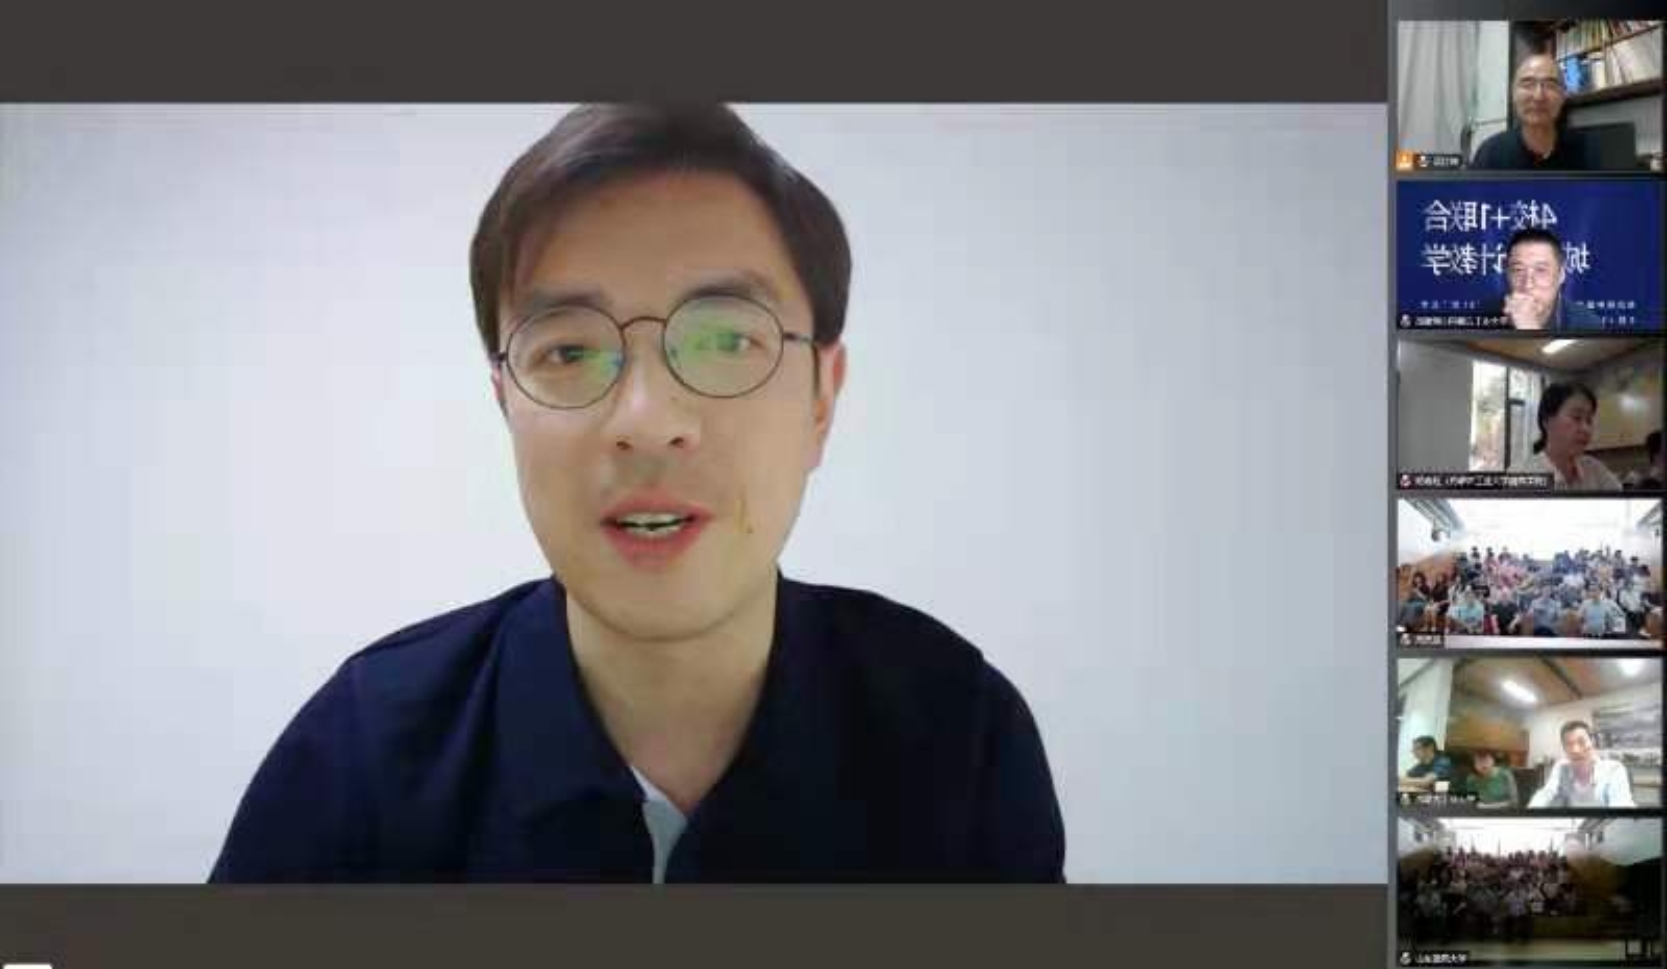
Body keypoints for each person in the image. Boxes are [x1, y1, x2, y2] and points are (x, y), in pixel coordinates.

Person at [209, 104, 1066, 883]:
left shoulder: (955, 734)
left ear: (821, 399)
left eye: (726, 339)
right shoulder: (362, 755)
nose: (648, 421)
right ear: (505, 403)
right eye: (569, 351)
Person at [1471, 53, 1599, 171]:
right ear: (1513, 94)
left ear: (1563, 95)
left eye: (1550, 85)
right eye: (1527, 85)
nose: (1538, 96)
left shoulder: (1587, 150)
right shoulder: (1490, 154)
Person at [1508, 382, 1622, 491]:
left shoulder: (1595, 470)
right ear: (1547, 421)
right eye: (1576, 418)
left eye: (1589, 420)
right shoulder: (1521, 475)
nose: (1586, 429)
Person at [1485, 228, 1605, 331]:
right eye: (1518, 270)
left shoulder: (1586, 323)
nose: (1528, 284)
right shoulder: (1484, 317)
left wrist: (1529, 329)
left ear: (1561, 275)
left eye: (1540, 270)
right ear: (1507, 274)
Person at [1527, 721, 1636, 808]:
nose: (1575, 750)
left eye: (1581, 741)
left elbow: (1622, 804)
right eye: (1569, 744)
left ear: (1592, 742)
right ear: (1564, 748)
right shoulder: (1561, 767)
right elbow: (1546, 793)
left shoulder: (1614, 769)